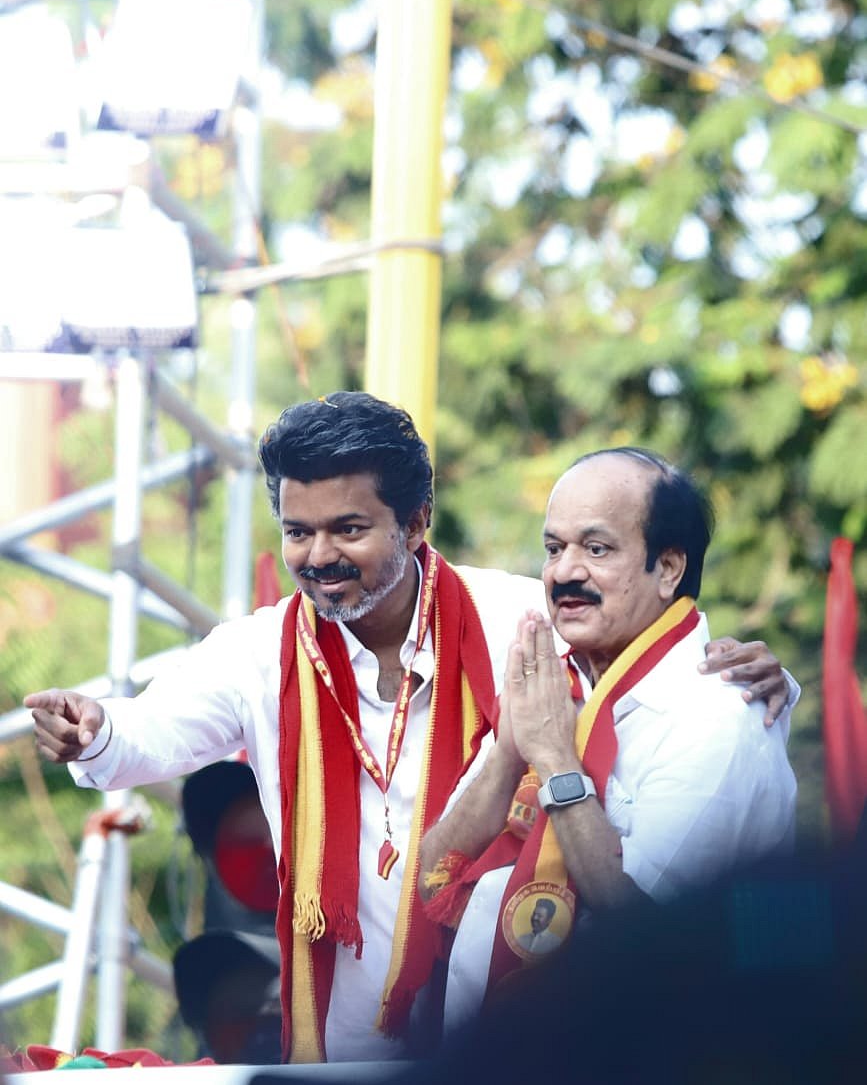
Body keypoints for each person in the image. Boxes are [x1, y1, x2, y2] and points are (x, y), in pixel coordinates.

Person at [25, 397, 795, 1064]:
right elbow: (148, 731)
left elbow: (644, 649)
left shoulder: (520, 619)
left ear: (416, 521)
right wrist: (95, 731)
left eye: (348, 529)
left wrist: (765, 684)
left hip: (515, 1018)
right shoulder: (259, 653)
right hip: (342, 1025)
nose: (319, 557)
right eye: (298, 532)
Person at [418, 447, 797, 1033]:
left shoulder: (718, 714)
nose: (564, 572)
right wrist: (512, 752)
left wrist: (555, 761)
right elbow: (431, 874)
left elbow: (643, 925)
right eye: (554, 548)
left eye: (596, 549)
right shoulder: (553, 685)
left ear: (667, 569)